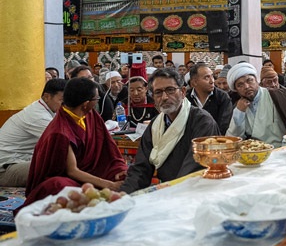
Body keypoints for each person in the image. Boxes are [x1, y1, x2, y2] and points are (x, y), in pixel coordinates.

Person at [21, 78, 128, 209]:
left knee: (121, 175)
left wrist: (119, 170)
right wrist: (109, 185)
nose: (96, 103)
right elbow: (72, 171)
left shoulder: (91, 115)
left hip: (91, 171)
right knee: (60, 187)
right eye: (96, 99)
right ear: (86, 103)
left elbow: (109, 151)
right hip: (67, 177)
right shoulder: (60, 131)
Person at [121, 68, 220, 193]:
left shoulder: (202, 121)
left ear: (183, 92)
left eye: (170, 90)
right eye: (158, 92)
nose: (164, 97)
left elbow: (194, 168)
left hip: (196, 192)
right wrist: (123, 195)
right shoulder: (155, 124)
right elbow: (141, 168)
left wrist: (170, 194)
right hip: (170, 192)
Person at [0, 79, 66, 187]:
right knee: (59, 168)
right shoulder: (38, 116)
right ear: (47, 97)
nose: (65, 106)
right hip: (6, 169)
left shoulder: (48, 110)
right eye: (62, 101)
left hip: (21, 161)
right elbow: (64, 142)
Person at [225, 63, 286, 147]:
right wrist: (239, 112)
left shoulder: (276, 95)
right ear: (236, 90)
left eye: (249, 80)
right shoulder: (239, 107)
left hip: (280, 152)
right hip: (253, 154)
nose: (246, 86)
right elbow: (232, 139)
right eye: (240, 85)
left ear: (257, 80)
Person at [186, 62, 232, 134]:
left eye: (212, 76)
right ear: (194, 82)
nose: (212, 81)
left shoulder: (222, 97)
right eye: (207, 77)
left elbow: (223, 126)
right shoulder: (186, 99)